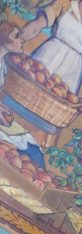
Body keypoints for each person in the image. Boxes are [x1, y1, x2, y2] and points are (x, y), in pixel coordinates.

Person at [19, 0, 82, 113]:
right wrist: (18, 40)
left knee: (52, 109)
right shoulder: (64, 4)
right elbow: (38, 24)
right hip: (45, 58)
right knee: (26, 95)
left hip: (71, 74)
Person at [0, 21, 46, 170]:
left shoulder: (3, 64)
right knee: (26, 153)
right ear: (4, 39)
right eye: (16, 36)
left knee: (32, 146)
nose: (22, 40)